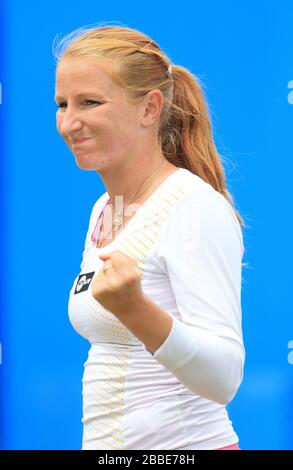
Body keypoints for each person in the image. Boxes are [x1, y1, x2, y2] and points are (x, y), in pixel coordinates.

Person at [53, 23, 245, 450]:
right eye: (63, 104)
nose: (69, 123)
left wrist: (137, 309)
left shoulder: (194, 206)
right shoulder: (103, 210)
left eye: (90, 102)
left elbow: (225, 378)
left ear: (149, 108)